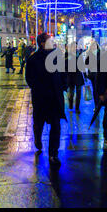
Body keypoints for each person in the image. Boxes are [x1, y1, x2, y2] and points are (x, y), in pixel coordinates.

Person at [25, 33, 67, 165]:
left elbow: (64, 74)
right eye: (50, 40)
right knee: (39, 123)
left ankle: (53, 154)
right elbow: (29, 78)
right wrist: (38, 88)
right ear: (42, 43)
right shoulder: (33, 59)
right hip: (41, 98)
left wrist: (63, 86)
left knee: (56, 125)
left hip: (55, 97)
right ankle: (37, 139)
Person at [65, 42, 85, 113]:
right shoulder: (67, 55)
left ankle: (77, 108)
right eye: (74, 47)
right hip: (71, 77)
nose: (75, 48)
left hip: (78, 76)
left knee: (79, 93)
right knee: (71, 93)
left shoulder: (79, 54)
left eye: (76, 47)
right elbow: (65, 66)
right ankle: (70, 105)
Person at [85, 40, 101, 106]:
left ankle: (99, 103)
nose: (94, 47)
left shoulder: (100, 53)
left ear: (97, 46)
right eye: (93, 46)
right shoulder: (89, 54)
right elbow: (86, 63)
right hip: (93, 74)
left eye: (95, 45)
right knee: (95, 89)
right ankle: (96, 104)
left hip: (99, 74)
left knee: (99, 89)